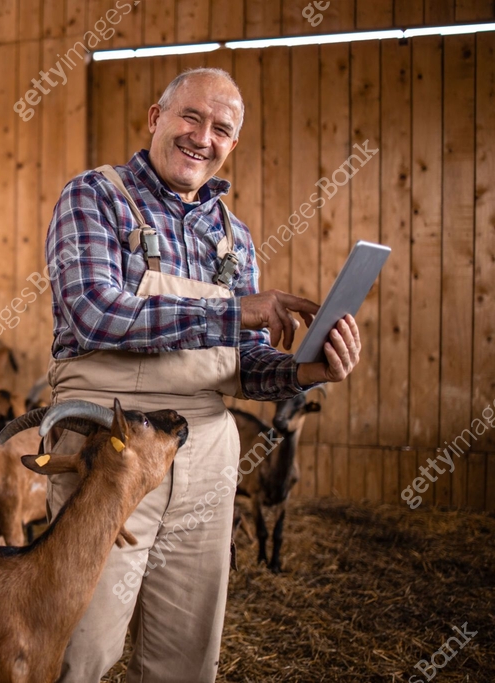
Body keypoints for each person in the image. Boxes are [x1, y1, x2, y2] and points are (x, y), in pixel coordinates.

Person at [44, 67, 361, 683]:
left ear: (232, 144)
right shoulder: (95, 196)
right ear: (154, 118)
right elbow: (93, 314)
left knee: (187, 656)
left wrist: (305, 369)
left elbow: (239, 362)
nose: (202, 137)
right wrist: (233, 307)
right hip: (111, 444)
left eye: (221, 128)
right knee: (78, 649)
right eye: (190, 117)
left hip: (209, 455)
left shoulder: (232, 237)